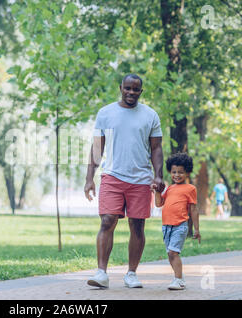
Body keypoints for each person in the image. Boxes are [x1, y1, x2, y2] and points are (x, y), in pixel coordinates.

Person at [84, 74, 165, 288]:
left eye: (135, 89)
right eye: (127, 88)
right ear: (120, 87)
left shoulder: (150, 115)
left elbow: (156, 148)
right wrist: (89, 178)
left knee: (137, 226)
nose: (131, 92)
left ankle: (131, 273)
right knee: (107, 220)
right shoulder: (106, 113)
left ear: (141, 91)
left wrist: (158, 174)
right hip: (112, 175)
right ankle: (101, 273)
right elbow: (96, 148)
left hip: (140, 179)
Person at [151, 153, 201, 290]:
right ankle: (179, 277)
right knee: (170, 254)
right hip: (166, 226)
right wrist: (156, 192)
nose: (177, 175)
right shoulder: (170, 188)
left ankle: (178, 280)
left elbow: (194, 210)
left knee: (173, 252)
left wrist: (196, 229)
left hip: (180, 225)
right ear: (170, 172)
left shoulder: (191, 189)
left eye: (180, 172)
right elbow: (159, 204)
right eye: (174, 172)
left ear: (187, 172)